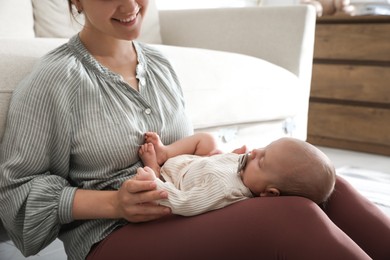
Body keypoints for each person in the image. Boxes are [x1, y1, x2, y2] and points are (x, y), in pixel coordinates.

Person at [0, 0, 389, 260]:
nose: (131, 5)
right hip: (113, 236)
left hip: (196, 206)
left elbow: (185, 153)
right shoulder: (53, 82)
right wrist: (115, 204)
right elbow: (16, 195)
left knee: (325, 184)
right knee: (294, 215)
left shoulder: (161, 67)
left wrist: (220, 160)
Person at [137, 132, 336, 216]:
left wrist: (156, 184)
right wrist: (227, 156)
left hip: (174, 178)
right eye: (265, 148)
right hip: (194, 164)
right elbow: (221, 161)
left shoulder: (224, 191)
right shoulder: (248, 171)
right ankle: (166, 151)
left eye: (262, 160)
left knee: (158, 185)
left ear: (269, 193)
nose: (255, 152)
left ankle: (155, 166)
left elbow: (184, 203)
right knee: (207, 139)